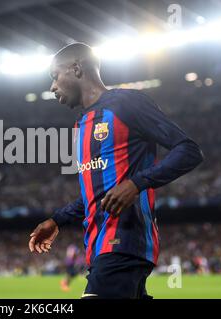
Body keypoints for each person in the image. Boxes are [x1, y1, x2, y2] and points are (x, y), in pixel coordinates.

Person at [28, 43, 204, 299]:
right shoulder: (81, 127)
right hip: (100, 248)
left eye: (55, 77)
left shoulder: (126, 103)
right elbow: (98, 194)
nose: (52, 87)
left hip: (123, 243)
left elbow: (188, 150)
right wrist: (57, 220)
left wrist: (136, 184)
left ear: (76, 69)